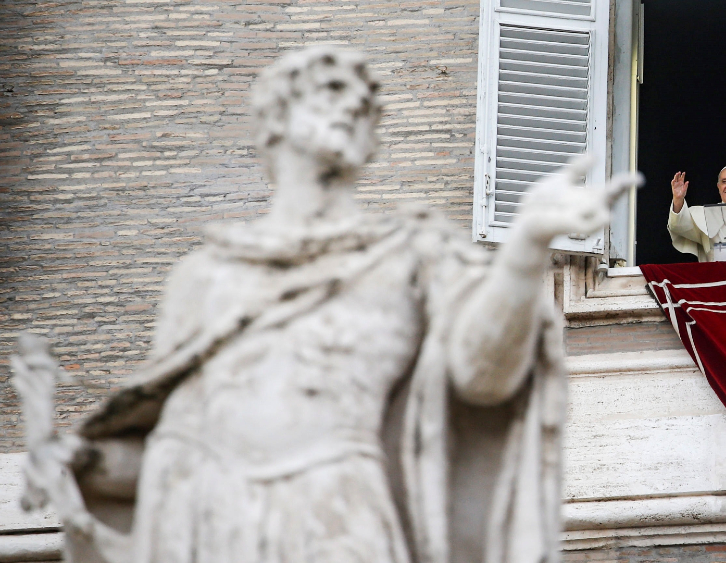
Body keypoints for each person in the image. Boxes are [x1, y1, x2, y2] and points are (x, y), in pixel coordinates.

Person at [10, 46, 641, 563]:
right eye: (330, 88)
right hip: (196, 521)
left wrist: (525, 249)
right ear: (274, 117)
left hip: (333, 515)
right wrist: (87, 459)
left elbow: (483, 379)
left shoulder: (410, 255)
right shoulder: (201, 278)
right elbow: (174, 445)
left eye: (366, 104)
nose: (355, 105)